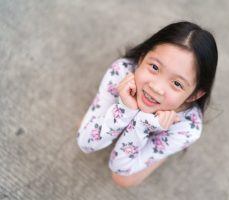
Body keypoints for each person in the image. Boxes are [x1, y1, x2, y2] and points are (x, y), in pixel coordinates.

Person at [76, 21, 218, 188]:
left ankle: (160, 153)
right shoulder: (121, 72)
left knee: (123, 179)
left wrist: (142, 123)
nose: (156, 88)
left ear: (194, 95)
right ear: (142, 57)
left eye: (177, 84)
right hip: (122, 113)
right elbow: (85, 144)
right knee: (89, 133)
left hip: (152, 134)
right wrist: (124, 109)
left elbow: (120, 167)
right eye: (155, 67)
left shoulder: (187, 128)